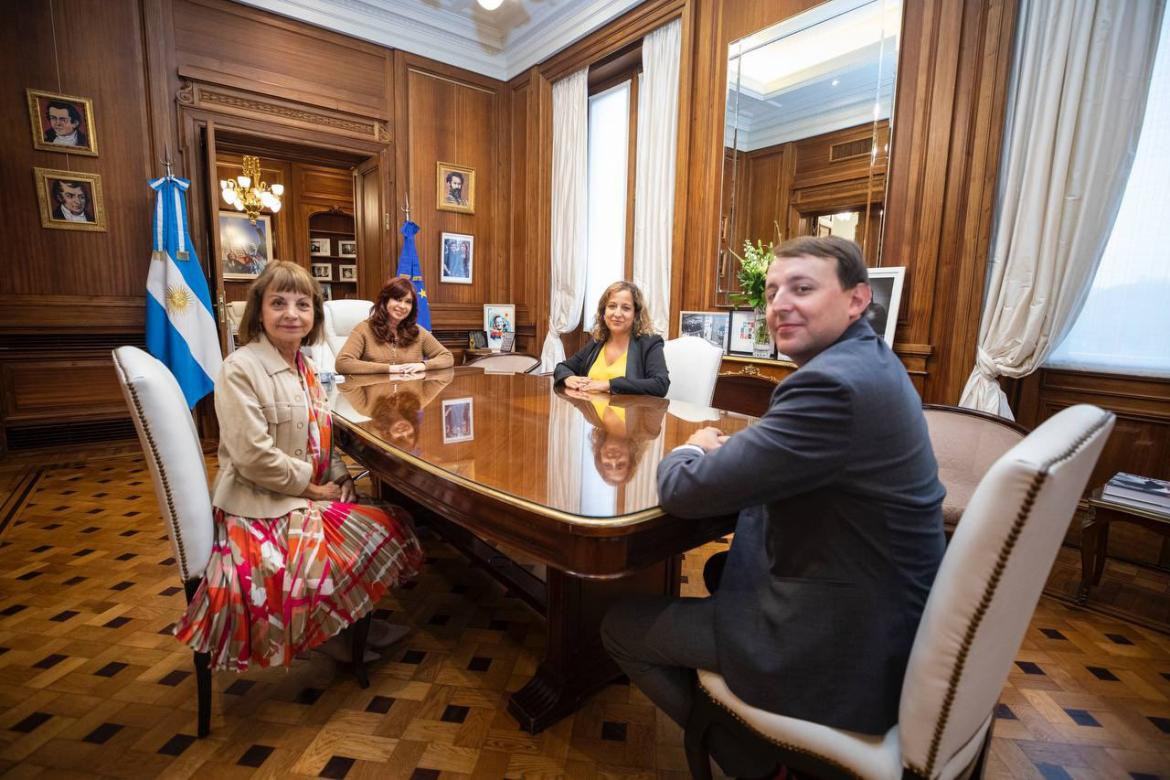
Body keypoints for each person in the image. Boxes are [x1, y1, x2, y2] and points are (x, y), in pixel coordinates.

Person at [601, 236, 945, 777]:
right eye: (773, 290)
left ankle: (756, 764)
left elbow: (683, 491)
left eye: (802, 288)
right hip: (876, 605)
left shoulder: (831, 386)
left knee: (620, 627)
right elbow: (789, 456)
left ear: (857, 300)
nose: (779, 302)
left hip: (834, 642)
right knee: (717, 569)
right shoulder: (869, 362)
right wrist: (731, 454)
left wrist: (689, 448)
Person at [173, 261, 424, 671]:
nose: (292, 313)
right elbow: (254, 458)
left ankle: (346, 625)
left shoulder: (303, 366)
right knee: (384, 527)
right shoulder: (240, 368)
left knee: (391, 520)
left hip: (296, 493)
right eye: (279, 303)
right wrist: (315, 489)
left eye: (302, 304)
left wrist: (341, 478)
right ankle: (328, 634)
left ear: (314, 316)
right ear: (259, 312)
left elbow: (321, 438)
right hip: (259, 508)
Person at [553, 281, 670, 397]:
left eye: (626, 308)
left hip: (631, 414)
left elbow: (660, 384)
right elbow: (563, 367)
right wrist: (567, 377)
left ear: (635, 314)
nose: (617, 314)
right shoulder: (597, 342)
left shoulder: (649, 343)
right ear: (604, 312)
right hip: (592, 413)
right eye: (612, 306)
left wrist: (610, 384)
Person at [335, 276, 454, 374]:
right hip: (376, 398)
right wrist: (390, 368)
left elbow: (447, 357)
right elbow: (343, 363)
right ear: (385, 301)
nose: (402, 306)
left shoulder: (418, 332)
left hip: (410, 398)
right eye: (397, 299)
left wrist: (423, 365)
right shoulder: (364, 329)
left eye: (408, 302)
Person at [337, 369, 454, 453]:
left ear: (388, 435)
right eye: (411, 434)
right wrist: (421, 366)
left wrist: (386, 370)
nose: (404, 432)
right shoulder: (419, 402)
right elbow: (444, 379)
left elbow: (345, 384)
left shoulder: (366, 409)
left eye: (399, 438)